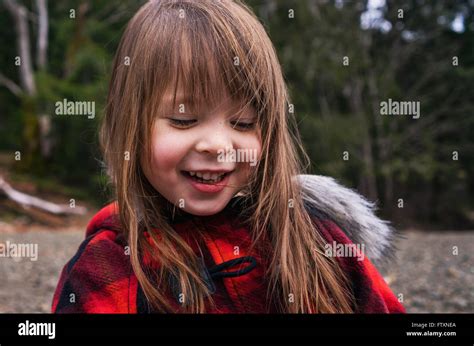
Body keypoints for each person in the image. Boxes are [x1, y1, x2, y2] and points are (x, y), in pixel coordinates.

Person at [52, 0, 405, 314]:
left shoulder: (318, 237)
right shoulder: (105, 268)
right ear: (128, 124)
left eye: (243, 122)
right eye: (183, 119)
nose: (219, 145)